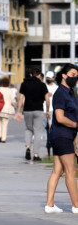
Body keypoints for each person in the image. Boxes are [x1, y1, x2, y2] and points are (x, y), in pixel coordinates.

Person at [44, 64, 78, 214]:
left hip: (62, 135)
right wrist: (76, 124)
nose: (75, 77)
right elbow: (60, 117)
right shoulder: (60, 93)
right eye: (72, 74)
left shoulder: (70, 92)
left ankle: (49, 205)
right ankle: (76, 205)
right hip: (62, 135)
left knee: (57, 170)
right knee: (71, 170)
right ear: (64, 75)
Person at [16, 67, 50, 162]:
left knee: (28, 129)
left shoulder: (24, 84)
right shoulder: (42, 85)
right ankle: (36, 154)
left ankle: (28, 147)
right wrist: (47, 110)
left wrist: (19, 111)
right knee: (38, 131)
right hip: (39, 110)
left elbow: (21, 98)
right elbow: (47, 100)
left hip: (27, 110)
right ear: (39, 75)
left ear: (30, 74)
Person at [0, 77, 17, 143]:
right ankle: (3, 138)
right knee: (5, 124)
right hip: (7, 109)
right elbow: (13, 101)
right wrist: (15, 105)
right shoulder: (10, 91)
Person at [44, 71, 58, 158]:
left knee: (51, 130)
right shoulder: (43, 86)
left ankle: (51, 147)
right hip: (43, 110)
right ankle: (48, 148)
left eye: (50, 77)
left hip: (52, 110)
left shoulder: (56, 87)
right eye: (48, 77)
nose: (49, 79)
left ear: (54, 78)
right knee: (45, 129)